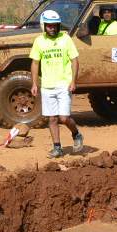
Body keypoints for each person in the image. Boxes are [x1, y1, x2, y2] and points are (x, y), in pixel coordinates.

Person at [29, 10, 83, 159]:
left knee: (64, 118)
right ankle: (57, 147)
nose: (52, 28)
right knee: (52, 119)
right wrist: (34, 83)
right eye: (49, 26)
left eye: (54, 26)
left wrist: (73, 81)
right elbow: (35, 63)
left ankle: (76, 134)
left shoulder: (65, 39)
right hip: (47, 86)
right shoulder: (39, 41)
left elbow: (75, 60)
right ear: (43, 26)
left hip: (64, 85)